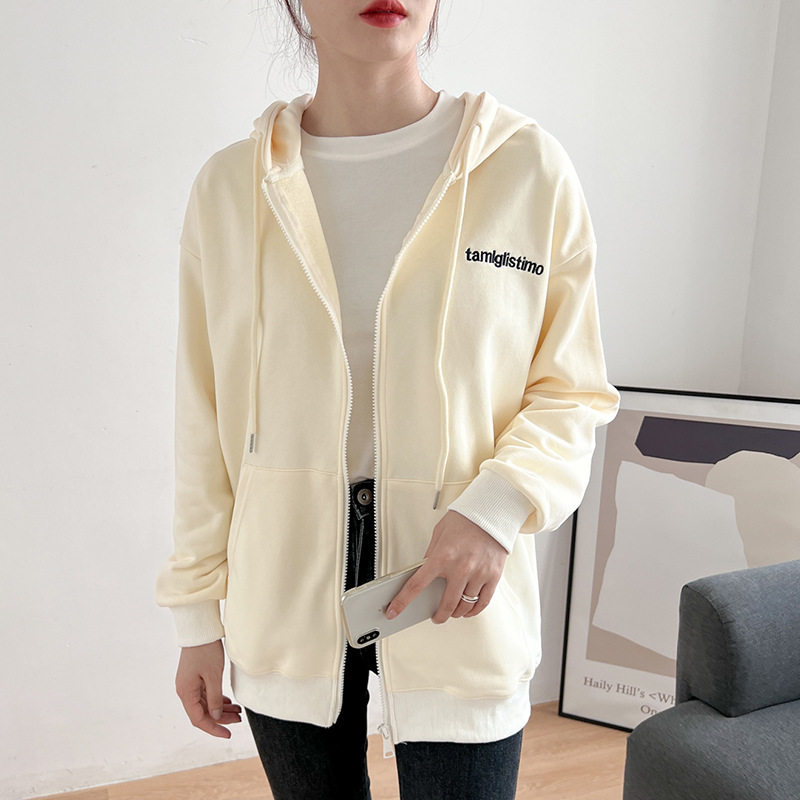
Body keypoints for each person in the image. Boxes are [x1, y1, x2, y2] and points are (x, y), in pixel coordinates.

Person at [155, 1, 620, 797]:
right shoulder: (231, 188)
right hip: (283, 592)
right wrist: (197, 618)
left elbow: (571, 389)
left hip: (456, 590)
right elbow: (204, 421)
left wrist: (497, 509)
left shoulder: (526, 168)